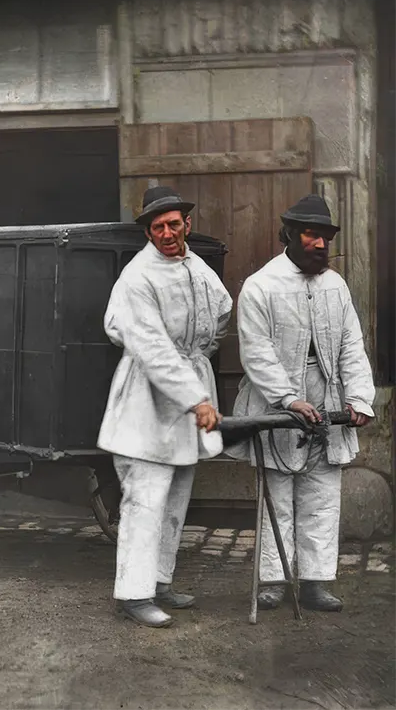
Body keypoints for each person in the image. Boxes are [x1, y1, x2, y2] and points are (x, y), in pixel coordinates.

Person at [98, 185, 232, 628]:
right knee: (145, 496)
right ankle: (133, 595)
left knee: (177, 495)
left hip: (188, 394)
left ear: (187, 224)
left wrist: (200, 356)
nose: (168, 233)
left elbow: (223, 310)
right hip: (145, 400)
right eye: (158, 227)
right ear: (148, 233)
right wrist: (196, 398)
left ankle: (159, 581)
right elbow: (153, 349)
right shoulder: (138, 277)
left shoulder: (198, 267)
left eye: (174, 223)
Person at [233, 194, 375, 612]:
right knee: (278, 494)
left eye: (325, 237)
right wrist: (287, 398)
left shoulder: (336, 285)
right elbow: (256, 351)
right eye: (311, 235)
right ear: (290, 235)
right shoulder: (261, 286)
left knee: (322, 494)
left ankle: (315, 581)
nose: (319, 244)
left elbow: (352, 343)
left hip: (328, 395)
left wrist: (360, 397)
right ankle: (274, 581)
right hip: (276, 396)